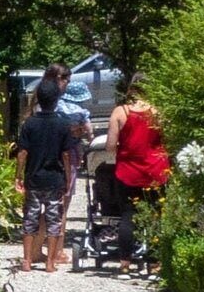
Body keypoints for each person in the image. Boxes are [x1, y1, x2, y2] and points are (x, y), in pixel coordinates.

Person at [10, 62, 84, 272]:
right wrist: (68, 178)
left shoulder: (30, 123)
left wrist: (18, 176)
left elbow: (22, 152)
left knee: (30, 218)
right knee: (54, 219)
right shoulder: (62, 124)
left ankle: (27, 260)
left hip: (34, 178)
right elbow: (66, 155)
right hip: (55, 180)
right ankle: (51, 262)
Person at [96, 94, 170, 271]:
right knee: (156, 215)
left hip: (128, 170)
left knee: (128, 216)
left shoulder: (120, 112)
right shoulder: (159, 112)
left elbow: (110, 145)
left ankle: (125, 264)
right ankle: (154, 264)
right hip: (155, 170)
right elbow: (167, 140)